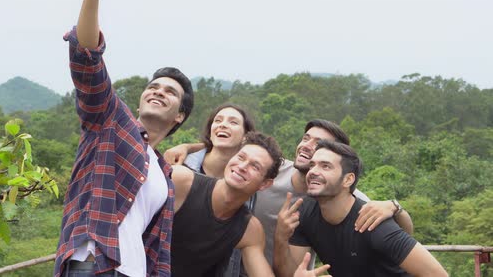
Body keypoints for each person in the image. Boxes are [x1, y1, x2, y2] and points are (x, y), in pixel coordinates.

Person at [54, 0, 194, 277]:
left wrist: (193, 147)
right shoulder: (111, 122)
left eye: (170, 92)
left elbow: (157, 247)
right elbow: (86, 58)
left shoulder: (164, 173)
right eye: (154, 86)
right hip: (94, 264)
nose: (159, 91)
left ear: (180, 116)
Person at [166, 119, 414, 268]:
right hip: (227, 265)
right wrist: (187, 146)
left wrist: (393, 206)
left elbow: (399, 238)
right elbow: (244, 148)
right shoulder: (271, 167)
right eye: (305, 138)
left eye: (318, 145)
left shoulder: (343, 196)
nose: (307, 146)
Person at [273, 140, 448, 277]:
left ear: (348, 180)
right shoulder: (306, 212)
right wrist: (280, 236)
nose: (313, 171)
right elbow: (289, 274)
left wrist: (396, 207)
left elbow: (438, 274)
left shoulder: (373, 222)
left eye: (325, 166)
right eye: (312, 165)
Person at [170, 131, 283, 276]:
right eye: (241, 157)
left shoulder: (249, 230)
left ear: (265, 184)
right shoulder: (181, 181)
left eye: (255, 167)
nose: (242, 166)